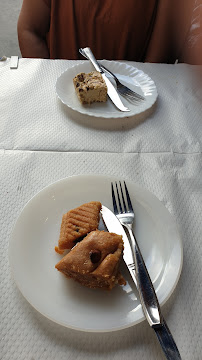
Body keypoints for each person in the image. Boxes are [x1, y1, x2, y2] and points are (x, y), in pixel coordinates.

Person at [17, 0, 202, 64]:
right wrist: (50, 91)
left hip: (133, 105)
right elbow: (30, 30)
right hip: (65, 98)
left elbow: (157, 66)